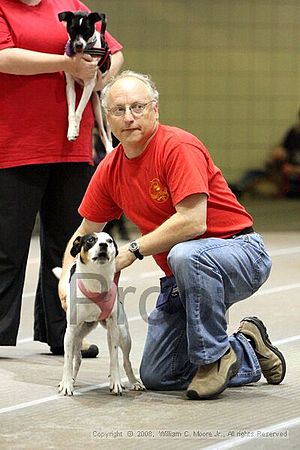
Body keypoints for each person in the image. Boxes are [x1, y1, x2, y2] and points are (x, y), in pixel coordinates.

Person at [58, 70, 286, 399]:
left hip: (240, 253)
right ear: (106, 118)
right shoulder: (110, 169)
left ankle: (214, 357)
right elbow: (84, 232)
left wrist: (133, 250)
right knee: (159, 374)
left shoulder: (177, 146)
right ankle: (247, 347)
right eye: (118, 110)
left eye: (138, 107)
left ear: (155, 110)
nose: (129, 118)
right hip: (182, 276)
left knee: (185, 253)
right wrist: (66, 276)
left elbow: (193, 222)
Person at [0, 0, 124, 356]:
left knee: (67, 245)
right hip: (16, 144)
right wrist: (66, 64)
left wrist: (100, 75)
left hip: (71, 145)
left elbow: (114, 50)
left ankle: (64, 332)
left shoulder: (68, 4)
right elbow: (3, 56)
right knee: (7, 245)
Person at [231, 109, 300, 198]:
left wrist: (294, 169)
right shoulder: (294, 132)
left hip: (294, 182)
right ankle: (239, 187)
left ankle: (242, 190)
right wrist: (278, 153)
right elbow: (282, 148)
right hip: (283, 174)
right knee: (252, 173)